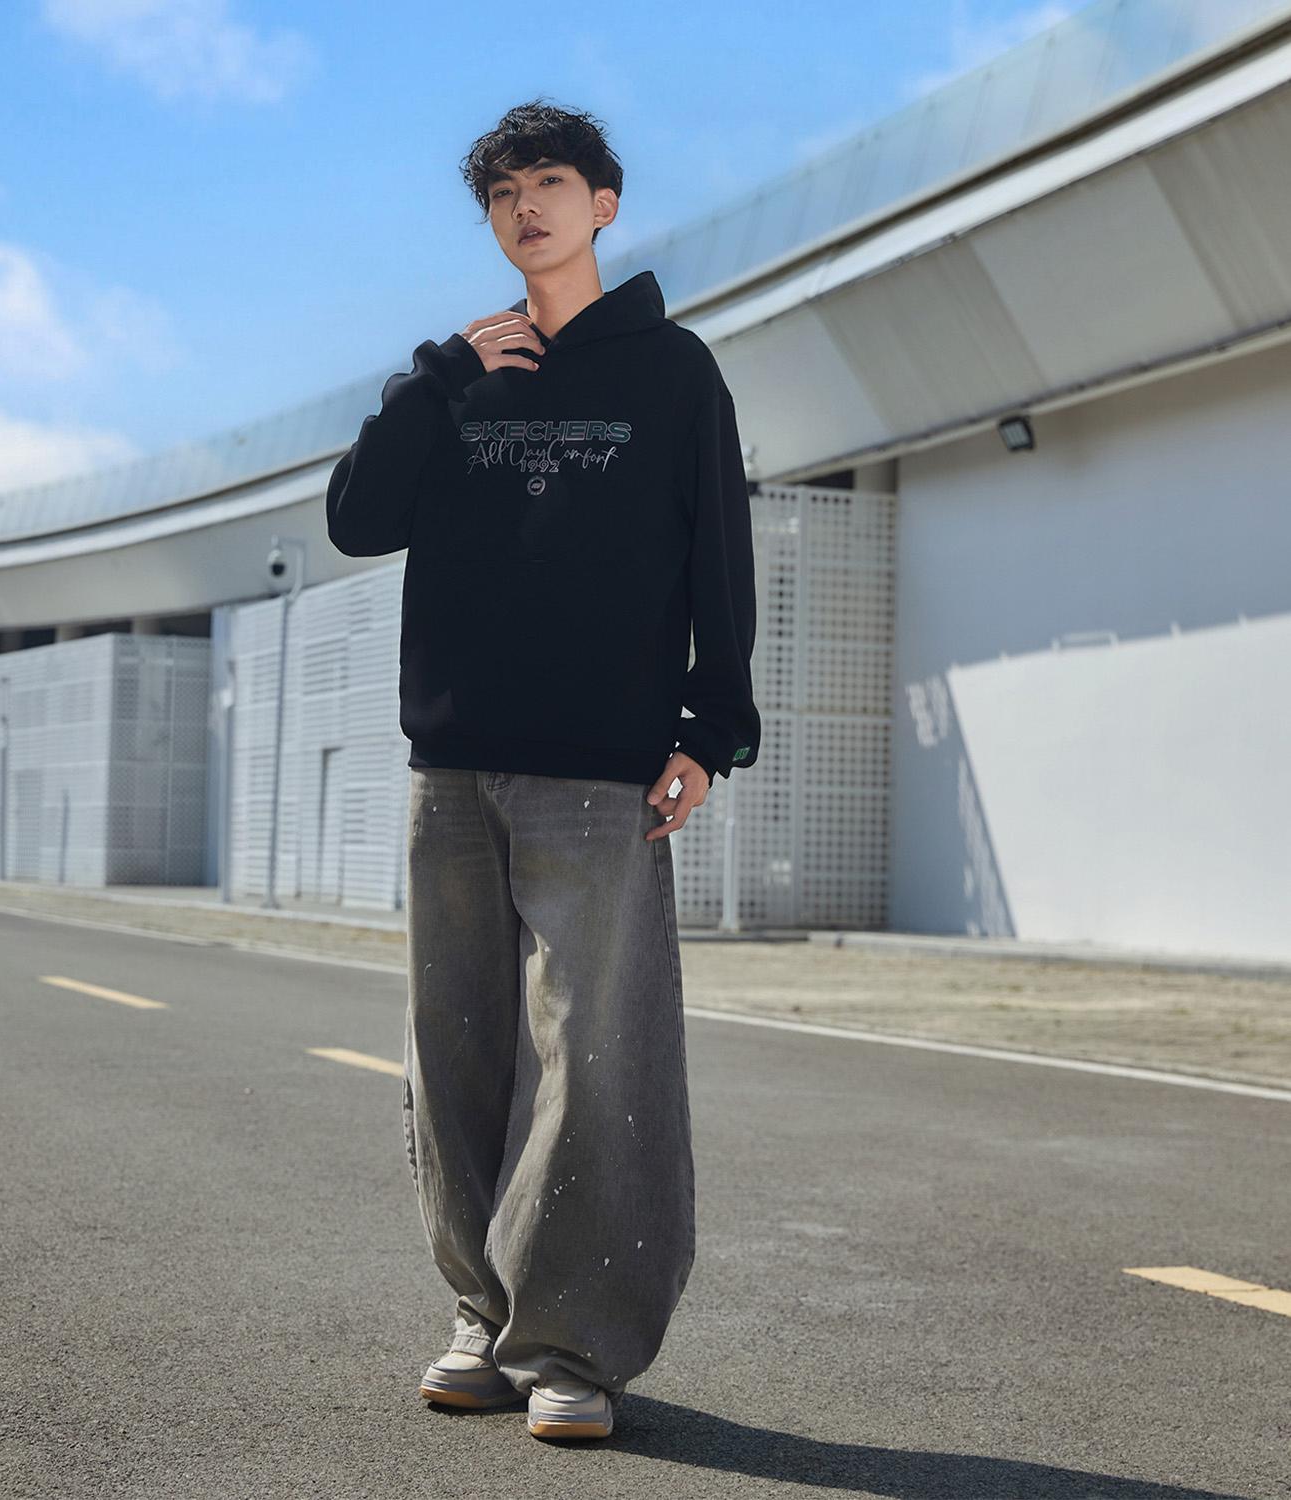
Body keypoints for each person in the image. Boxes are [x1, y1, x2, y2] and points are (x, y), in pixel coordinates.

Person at [325, 98, 759, 1442]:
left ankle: (572, 1343)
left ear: (603, 204)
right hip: (454, 766)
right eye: (504, 193)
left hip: (600, 769)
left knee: (595, 1060)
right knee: (454, 1050)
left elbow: (720, 554)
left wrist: (710, 727)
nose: (527, 208)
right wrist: (435, 380)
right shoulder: (458, 375)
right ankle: (482, 1313)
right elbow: (356, 521)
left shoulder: (673, 371)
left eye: (551, 183)